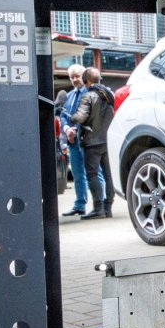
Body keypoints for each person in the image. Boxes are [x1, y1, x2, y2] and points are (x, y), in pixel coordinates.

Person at [70, 66, 116, 220]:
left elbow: (80, 117)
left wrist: (72, 118)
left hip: (92, 142)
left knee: (92, 174)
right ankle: (108, 207)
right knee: (109, 175)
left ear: (86, 81)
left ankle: (98, 208)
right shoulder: (109, 94)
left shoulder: (89, 96)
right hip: (108, 140)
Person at [58, 64, 94, 217]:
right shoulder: (70, 96)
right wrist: (67, 129)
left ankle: (101, 204)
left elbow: (91, 115)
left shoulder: (91, 93)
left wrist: (76, 129)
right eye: (71, 77)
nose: (74, 80)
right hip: (73, 141)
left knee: (94, 173)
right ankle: (80, 205)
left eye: (77, 76)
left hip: (87, 139)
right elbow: (63, 116)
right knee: (78, 174)